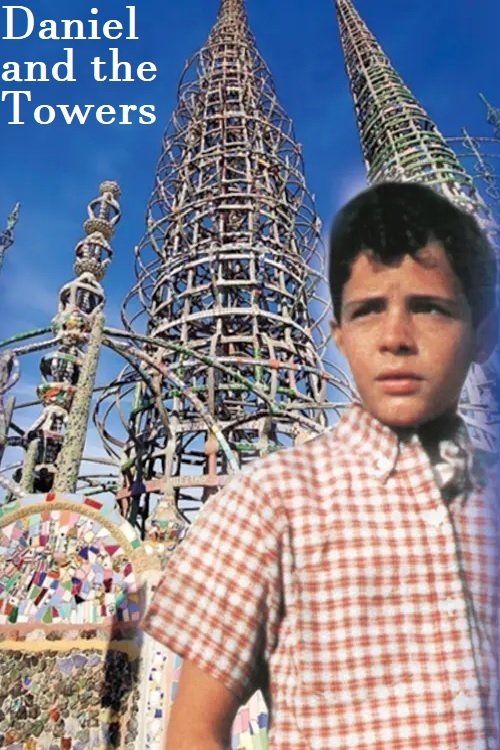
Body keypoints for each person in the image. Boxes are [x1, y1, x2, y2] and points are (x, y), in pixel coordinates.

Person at [142, 182, 499, 750]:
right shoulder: (269, 504)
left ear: (481, 333)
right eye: (368, 311)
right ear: (339, 335)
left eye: (429, 308)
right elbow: (193, 732)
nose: (396, 339)